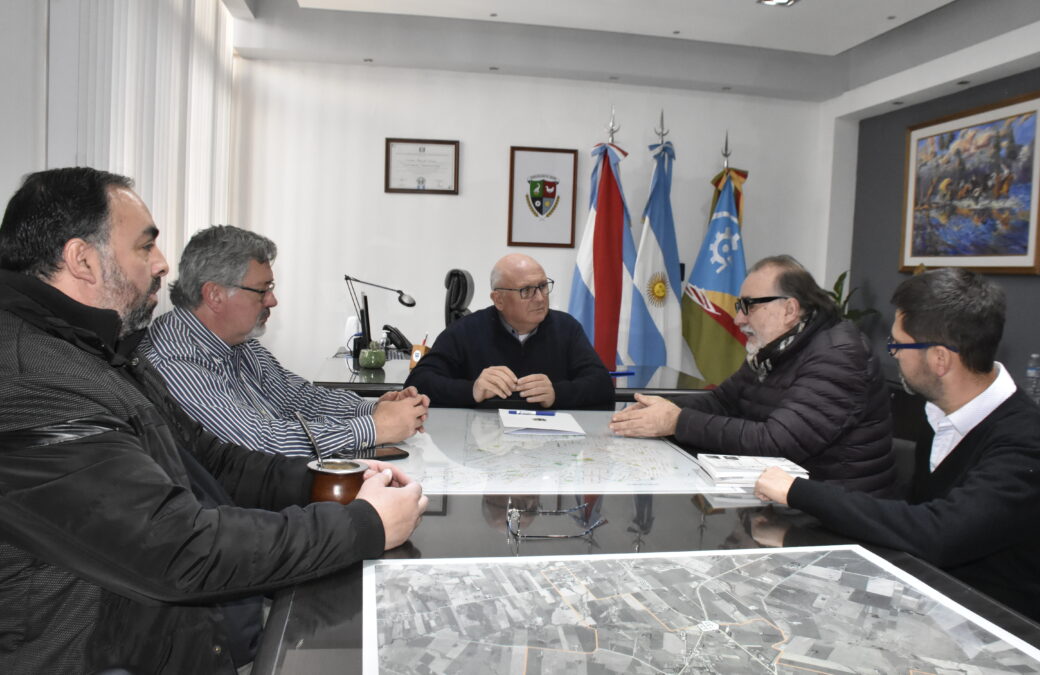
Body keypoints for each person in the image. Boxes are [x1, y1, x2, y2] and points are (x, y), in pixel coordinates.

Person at [0, 168, 427, 674]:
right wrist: (362, 525)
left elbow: (212, 461)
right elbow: (176, 548)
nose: (162, 264)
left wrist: (339, 482)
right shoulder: (36, 379)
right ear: (83, 260)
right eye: (145, 247)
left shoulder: (94, 351)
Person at [754, 268, 1040, 626]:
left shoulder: (1032, 445)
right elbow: (910, 509)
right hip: (932, 600)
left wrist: (798, 492)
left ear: (939, 359)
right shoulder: (940, 412)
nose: (894, 356)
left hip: (1002, 631)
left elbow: (938, 532)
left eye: (898, 345)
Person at [610, 255, 895, 494]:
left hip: (839, 509)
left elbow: (777, 442)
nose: (738, 319)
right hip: (786, 496)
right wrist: (656, 411)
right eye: (739, 307)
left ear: (789, 309)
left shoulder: (839, 355)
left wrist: (677, 421)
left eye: (749, 306)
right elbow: (721, 401)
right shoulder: (776, 348)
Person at [142, 225, 428, 458]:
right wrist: (373, 428)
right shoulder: (175, 361)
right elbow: (260, 444)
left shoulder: (240, 345)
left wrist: (375, 408)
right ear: (215, 295)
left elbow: (301, 398)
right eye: (262, 290)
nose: (273, 301)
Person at [404, 253, 614, 408]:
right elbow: (418, 383)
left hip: (548, 452)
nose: (540, 298)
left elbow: (602, 387)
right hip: (482, 450)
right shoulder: (466, 330)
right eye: (526, 290)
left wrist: (557, 393)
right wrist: (472, 390)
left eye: (542, 286)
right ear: (499, 300)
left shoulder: (566, 328)